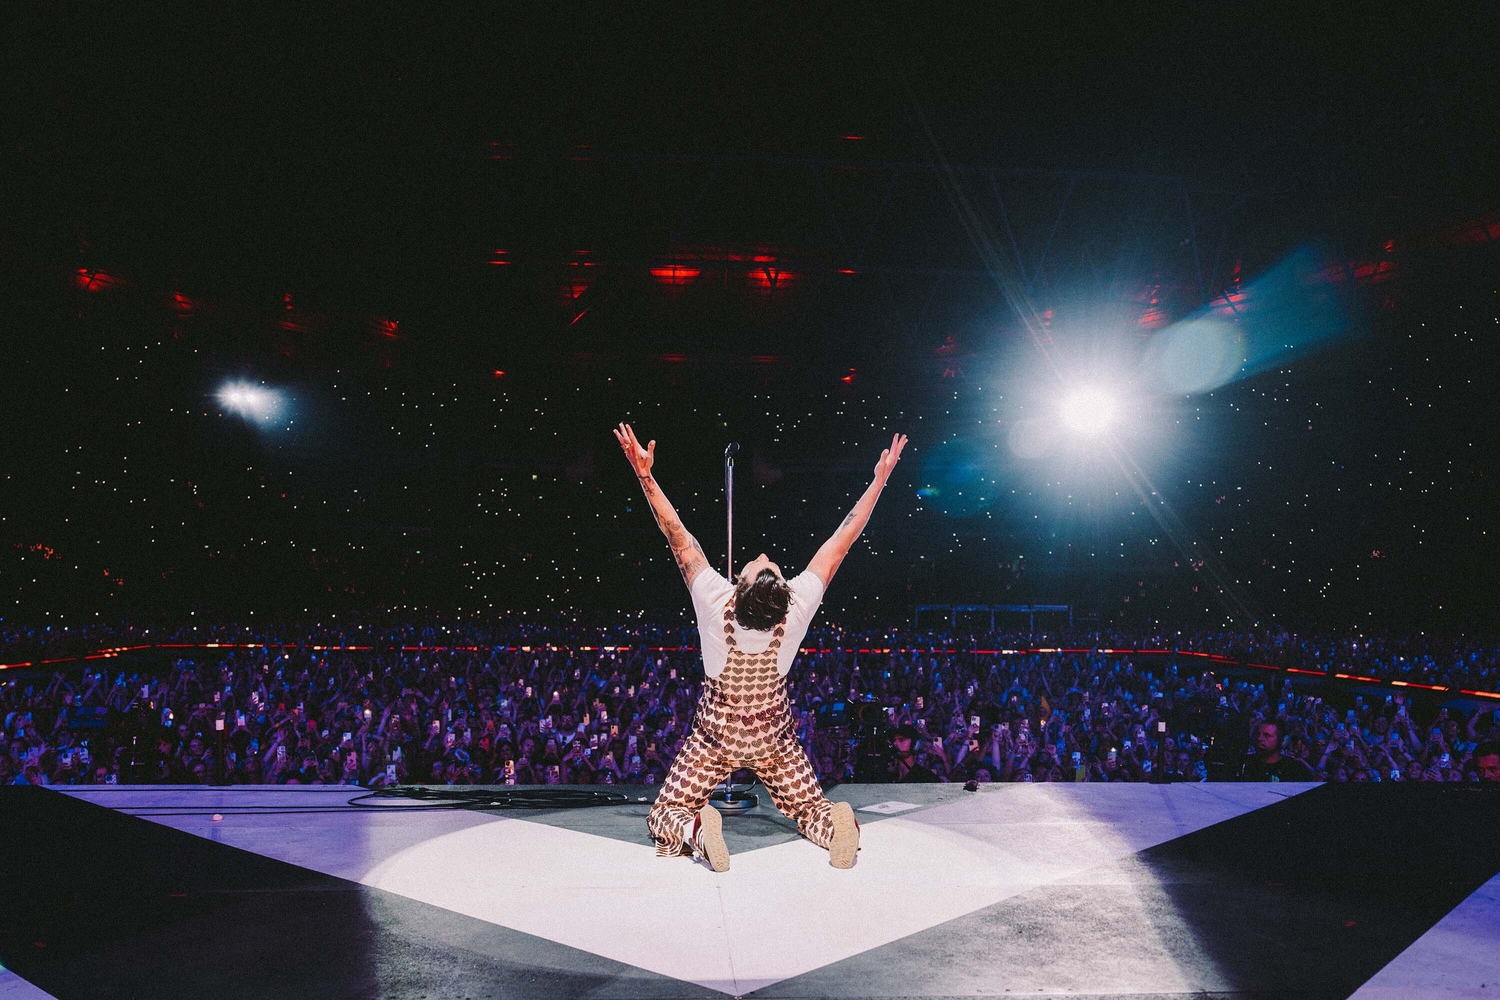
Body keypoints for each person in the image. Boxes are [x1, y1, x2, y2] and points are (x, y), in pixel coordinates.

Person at [615, 422, 906, 871]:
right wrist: (879, 481)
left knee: (664, 814)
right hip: (774, 738)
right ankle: (835, 826)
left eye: (758, 564)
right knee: (808, 809)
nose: (762, 556)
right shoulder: (796, 608)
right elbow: (842, 540)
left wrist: (645, 476)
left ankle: (694, 830)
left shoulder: (715, 600)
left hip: (715, 739)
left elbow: (676, 536)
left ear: (740, 586)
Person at [1240, 719, 1313, 781]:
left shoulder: (1293, 769)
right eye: (1258, 734)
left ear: (1280, 740)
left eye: (1267, 735)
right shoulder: (1246, 763)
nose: (1259, 738)